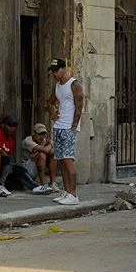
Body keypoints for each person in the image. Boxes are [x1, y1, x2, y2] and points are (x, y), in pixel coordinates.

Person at [47, 57, 84, 205]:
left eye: (57, 71)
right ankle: (67, 191)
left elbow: (79, 105)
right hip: (59, 126)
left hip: (69, 127)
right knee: (61, 160)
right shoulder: (57, 86)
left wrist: (74, 125)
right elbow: (50, 101)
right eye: (53, 71)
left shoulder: (74, 84)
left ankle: (73, 194)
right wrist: (52, 113)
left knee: (68, 160)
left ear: (64, 69)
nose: (55, 74)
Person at [0, 115, 53, 197]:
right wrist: (50, 144)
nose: (12, 128)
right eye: (10, 126)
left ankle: (37, 186)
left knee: (18, 169)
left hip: (5, 164)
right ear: (3, 125)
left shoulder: (11, 139)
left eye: (14, 126)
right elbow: (0, 151)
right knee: (7, 160)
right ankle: (0, 186)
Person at [22, 123, 60, 192]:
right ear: (33, 133)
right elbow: (45, 150)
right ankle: (42, 185)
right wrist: (51, 144)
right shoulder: (28, 141)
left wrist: (50, 145)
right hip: (27, 169)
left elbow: (52, 151)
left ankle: (52, 183)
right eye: (39, 134)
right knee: (42, 154)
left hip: (36, 167)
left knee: (53, 154)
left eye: (43, 134)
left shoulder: (43, 141)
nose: (42, 137)